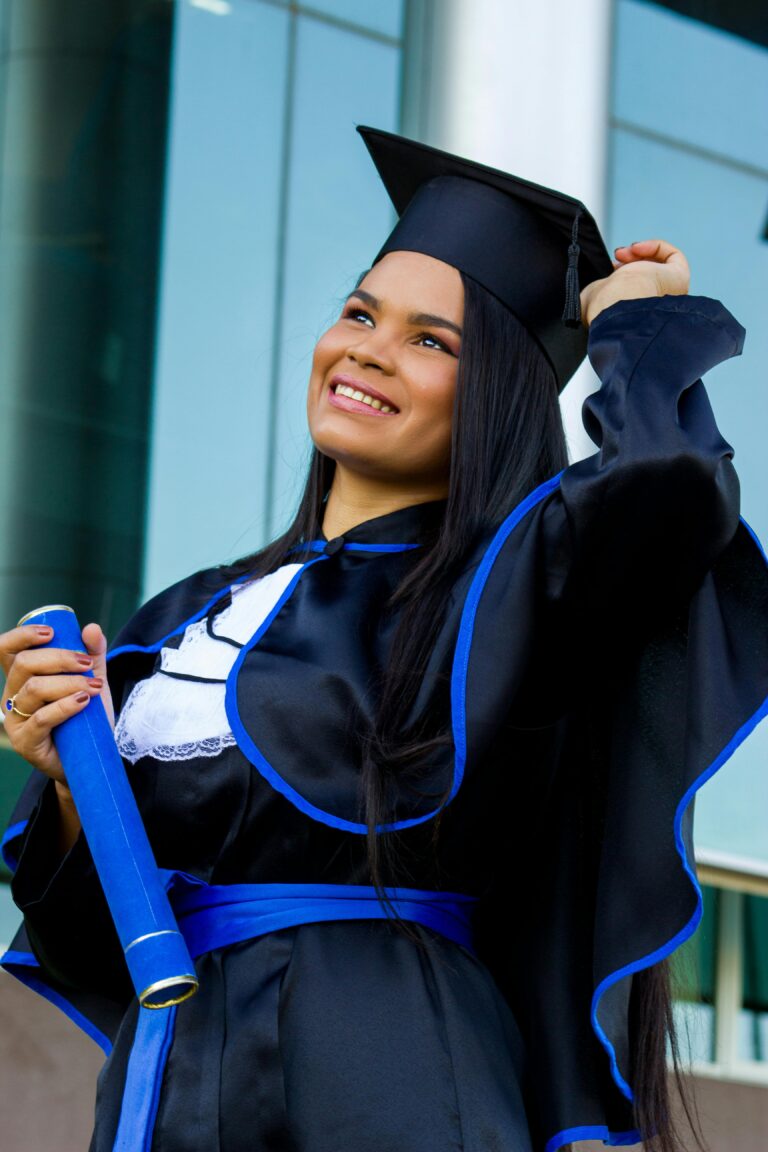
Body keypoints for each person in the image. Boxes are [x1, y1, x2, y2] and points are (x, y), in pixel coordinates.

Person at [1, 125, 767, 1152]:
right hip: (173, 1075)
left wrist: (636, 323)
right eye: (360, 312)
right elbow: (104, 939)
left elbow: (672, 485)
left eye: (429, 340)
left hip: (382, 1064)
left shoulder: (511, 591)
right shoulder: (189, 614)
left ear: (493, 394)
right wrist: (65, 779)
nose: (366, 347)